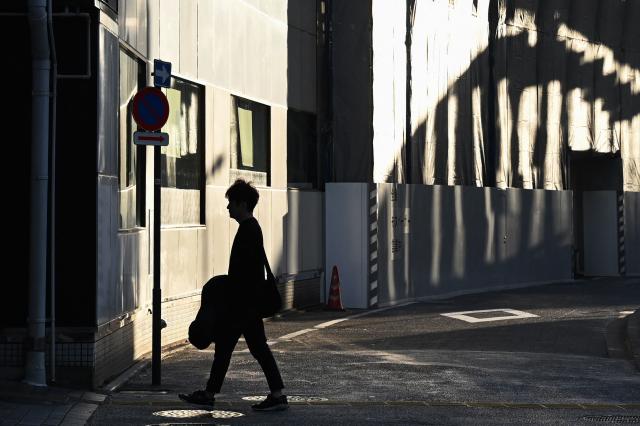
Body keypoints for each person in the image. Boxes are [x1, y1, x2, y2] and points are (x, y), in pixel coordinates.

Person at [179, 179, 288, 411]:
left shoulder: (249, 230)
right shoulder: (250, 228)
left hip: (242, 305)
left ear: (242, 203)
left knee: (235, 348)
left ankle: (211, 394)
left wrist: (229, 294)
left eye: (231, 203)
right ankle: (275, 394)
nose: (228, 207)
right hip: (245, 304)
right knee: (248, 348)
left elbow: (246, 274)